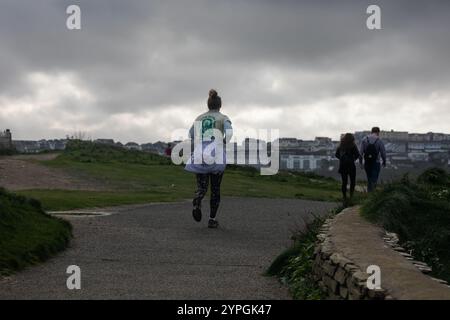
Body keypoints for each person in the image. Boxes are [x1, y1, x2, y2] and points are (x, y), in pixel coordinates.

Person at [185, 89, 233, 228]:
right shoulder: (223, 117)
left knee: (202, 186)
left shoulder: (199, 118)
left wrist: (200, 142)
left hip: (201, 153)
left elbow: (190, 134)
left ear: (208, 104)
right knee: (215, 189)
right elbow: (229, 132)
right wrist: (224, 141)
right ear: (220, 105)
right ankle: (212, 219)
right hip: (216, 153)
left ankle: (198, 199)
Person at [335, 133, 361, 206]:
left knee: (344, 182)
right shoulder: (353, 145)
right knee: (352, 181)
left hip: (343, 166)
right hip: (351, 166)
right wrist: (352, 159)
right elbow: (357, 155)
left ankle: (344, 197)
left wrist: (342, 159)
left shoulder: (341, 145)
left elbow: (336, 155)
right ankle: (351, 196)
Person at [360, 127, 386, 192]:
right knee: (374, 179)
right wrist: (384, 161)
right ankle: (373, 194)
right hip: (376, 162)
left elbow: (360, 153)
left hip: (367, 162)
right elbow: (383, 152)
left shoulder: (364, 139)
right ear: (378, 132)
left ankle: (369, 192)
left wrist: (361, 162)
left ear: (371, 131)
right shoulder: (379, 140)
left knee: (369, 178)